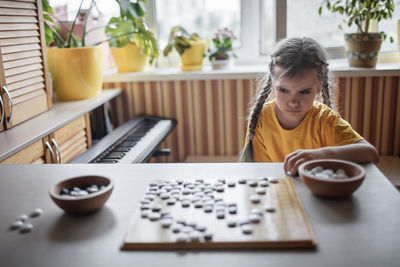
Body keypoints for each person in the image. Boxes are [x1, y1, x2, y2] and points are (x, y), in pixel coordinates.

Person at [240, 37, 378, 175]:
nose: (293, 102)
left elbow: (370, 153)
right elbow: (261, 173)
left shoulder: (324, 120)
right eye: (284, 90)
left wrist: (318, 156)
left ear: (319, 86)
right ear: (273, 83)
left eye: (304, 91)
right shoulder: (261, 118)